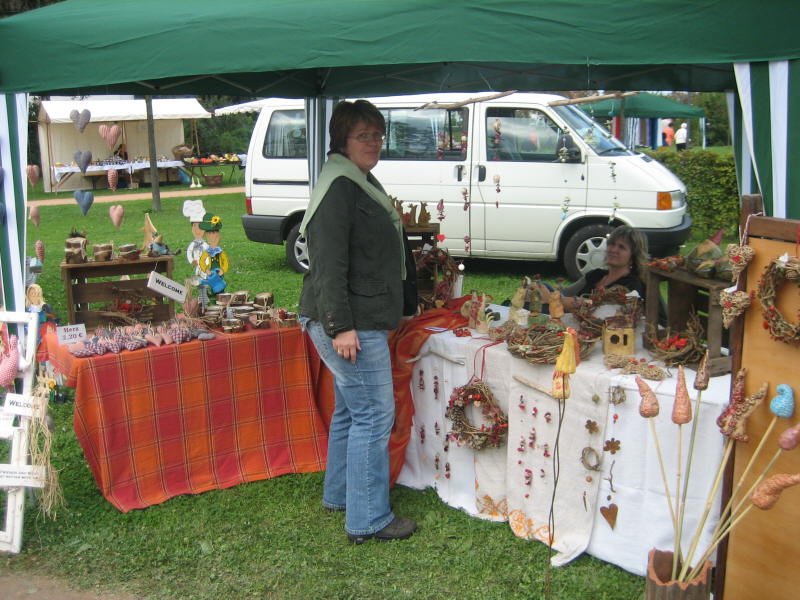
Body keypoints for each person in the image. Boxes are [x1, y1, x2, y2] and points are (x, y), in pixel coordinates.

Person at [298, 99, 418, 544]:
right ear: (342, 140)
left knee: (352, 410)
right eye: (364, 135)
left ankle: (341, 494)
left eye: (377, 135)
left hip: (355, 315)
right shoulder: (339, 188)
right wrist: (340, 326)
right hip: (348, 320)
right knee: (373, 415)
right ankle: (368, 518)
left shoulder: (355, 180)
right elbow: (328, 263)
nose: (374, 143)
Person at [561, 225, 648, 312]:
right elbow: (565, 293)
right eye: (612, 244)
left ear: (632, 257)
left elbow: (613, 312)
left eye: (621, 247)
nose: (613, 250)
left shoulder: (632, 285)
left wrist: (579, 303)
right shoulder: (596, 274)